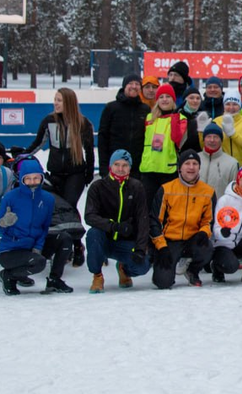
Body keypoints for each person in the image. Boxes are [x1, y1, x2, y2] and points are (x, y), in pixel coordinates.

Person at [0, 158, 74, 295]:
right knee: (38, 263)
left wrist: (38, 247)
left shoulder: (48, 199)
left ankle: (54, 280)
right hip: (11, 249)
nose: (32, 182)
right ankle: (9, 275)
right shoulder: (10, 198)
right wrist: (3, 223)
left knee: (64, 238)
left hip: (33, 245)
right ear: (21, 179)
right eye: (28, 179)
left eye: (36, 178)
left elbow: (44, 227)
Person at [84, 149, 152, 293]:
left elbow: (143, 220)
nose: (120, 169)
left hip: (125, 242)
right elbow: (90, 216)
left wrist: (140, 248)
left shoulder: (136, 187)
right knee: (93, 234)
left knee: (143, 266)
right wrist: (113, 226)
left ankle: (124, 270)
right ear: (110, 166)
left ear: (130, 167)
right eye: (117, 164)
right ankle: (97, 275)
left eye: (125, 165)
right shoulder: (98, 187)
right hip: (103, 239)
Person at [149, 150, 215, 289]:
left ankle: (192, 270)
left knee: (207, 247)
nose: (191, 167)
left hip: (193, 239)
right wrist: (161, 247)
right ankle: (169, 268)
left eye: (195, 163)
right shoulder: (166, 189)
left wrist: (204, 232)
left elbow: (208, 220)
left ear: (199, 167)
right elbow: (155, 221)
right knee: (162, 282)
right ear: (180, 167)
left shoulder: (208, 191)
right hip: (170, 241)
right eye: (187, 163)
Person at [26, 87, 95, 209]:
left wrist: (89, 173)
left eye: (59, 100)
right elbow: (37, 143)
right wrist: (22, 156)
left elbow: (89, 150)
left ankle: (75, 228)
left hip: (76, 174)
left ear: (69, 103)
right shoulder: (48, 121)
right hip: (55, 173)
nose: (55, 103)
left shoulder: (83, 123)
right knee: (58, 208)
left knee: (69, 206)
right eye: (55, 99)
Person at [140, 83, 191, 207]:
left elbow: (178, 139)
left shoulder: (180, 118)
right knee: (148, 206)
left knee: (167, 207)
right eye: (161, 97)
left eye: (168, 97)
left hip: (168, 170)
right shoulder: (149, 118)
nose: (164, 100)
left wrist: (174, 118)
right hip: (148, 169)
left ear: (173, 100)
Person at [98, 74, 150, 179]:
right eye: (130, 83)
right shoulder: (111, 108)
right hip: (115, 165)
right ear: (124, 86)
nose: (134, 86)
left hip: (137, 168)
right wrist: (103, 168)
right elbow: (103, 138)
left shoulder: (145, 110)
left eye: (137, 84)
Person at [215, 88, 242, 167]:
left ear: (240, 105)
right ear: (224, 106)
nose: (231, 108)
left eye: (235, 104)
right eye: (228, 104)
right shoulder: (216, 121)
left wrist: (233, 134)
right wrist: (201, 133)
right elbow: (208, 146)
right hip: (221, 167)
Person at [198, 122, 239, 197]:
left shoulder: (232, 163)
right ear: (204, 139)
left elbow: (234, 192)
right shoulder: (195, 160)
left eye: (216, 137)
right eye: (209, 136)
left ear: (221, 140)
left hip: (220, 207)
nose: (212, 140)